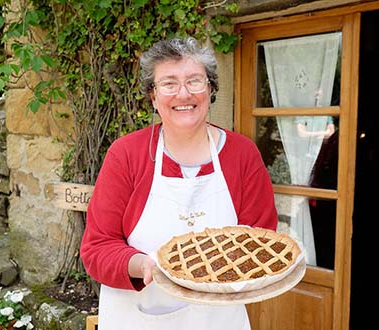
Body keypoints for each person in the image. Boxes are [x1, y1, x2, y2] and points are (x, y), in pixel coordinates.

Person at [80, 37, 278, 329]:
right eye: (169, 84)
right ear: (153, 96)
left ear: (210, 89)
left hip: (219, 320)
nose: (183, 94)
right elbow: (97, 248)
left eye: (195, 81)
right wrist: (144, 265)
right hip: (138, 318)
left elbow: (262, 243)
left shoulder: (242, 154)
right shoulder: (127, 154)